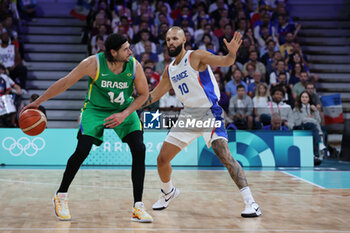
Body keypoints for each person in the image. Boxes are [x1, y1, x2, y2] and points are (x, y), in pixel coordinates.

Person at [21, 34, 153, 223]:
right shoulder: (93, 63)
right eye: (126, 49)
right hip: (95, 109)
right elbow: (66, 82)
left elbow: (143, 95)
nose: (130, 51)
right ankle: (61, 195)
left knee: (139, 149)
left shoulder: (134, 66)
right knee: (82, 149)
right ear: (113, 52)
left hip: (124, 109)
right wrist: (38, 102)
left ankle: (138, 206)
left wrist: (123, 114)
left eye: (129, 47)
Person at [141, 26, 261, 217]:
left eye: (174, 38)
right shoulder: (169, 70)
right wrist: (131, 100)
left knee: (224, 155)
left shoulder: (196, 56)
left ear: (183, 41)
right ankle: (168, 192)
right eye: (168, 39)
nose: (171, 42)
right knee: (162, 159)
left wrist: (231, 53)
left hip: (208, 113)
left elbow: (226, 61)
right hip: (187, 116)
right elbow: (154, 96)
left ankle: (251, 202)